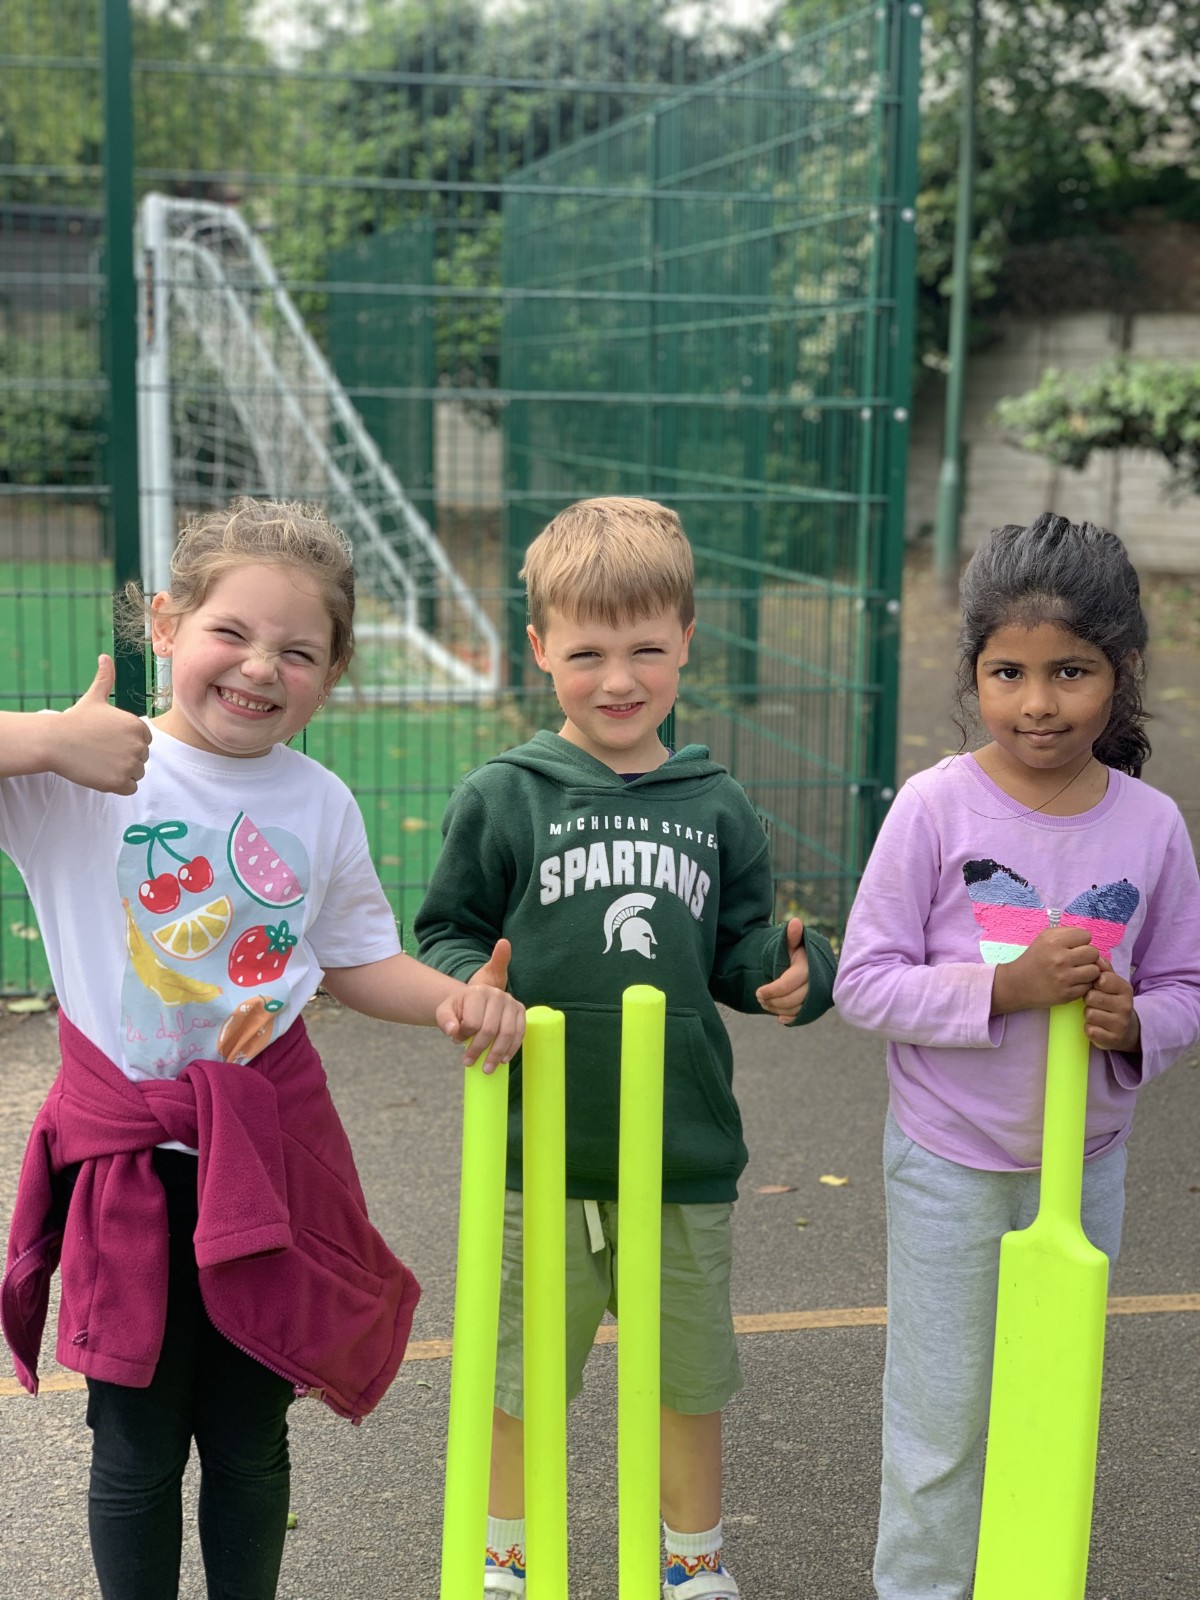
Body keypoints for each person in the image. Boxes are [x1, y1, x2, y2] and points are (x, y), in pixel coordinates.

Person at [0, 497, 524, 1600]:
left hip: (265, 1164)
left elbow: (351, 957)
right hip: (127, 1171)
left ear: (330, 675)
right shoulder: (82, 775)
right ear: (166, 623)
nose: (258, 668)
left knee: (249, 1438)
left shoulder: (320, 803)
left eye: (299, 651)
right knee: (135, 1444)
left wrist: (452, 1001)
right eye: (231, 632)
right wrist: (46, 736)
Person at [414, 495, 837, 1599]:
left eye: (647, 648)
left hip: (682, 1153)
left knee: (685, 1379)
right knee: (520, 1380)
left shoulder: (717, 803)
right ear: (541, 647)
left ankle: (693, 1564)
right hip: (533, 1153)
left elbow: (742, 949)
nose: (619, 677)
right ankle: (508, 1560)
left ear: (687, 643)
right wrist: (470, 987)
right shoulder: (503, 796)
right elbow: (448, 929)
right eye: (588, 650)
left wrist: (797, 973)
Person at [832, 512, 1200, 1600]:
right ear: (976, 672)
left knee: (1051, 1403)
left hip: (1084, 1169)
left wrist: (1137, 1024)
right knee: (942, 1419)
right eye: (1009, 671)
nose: (1037, 702)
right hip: (949, 1162)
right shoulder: (934, 807)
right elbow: (865, 980)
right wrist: (1005, 987)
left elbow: (1186, 986)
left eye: (1071, 671)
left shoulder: (1152, 825)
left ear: (1123, 672)